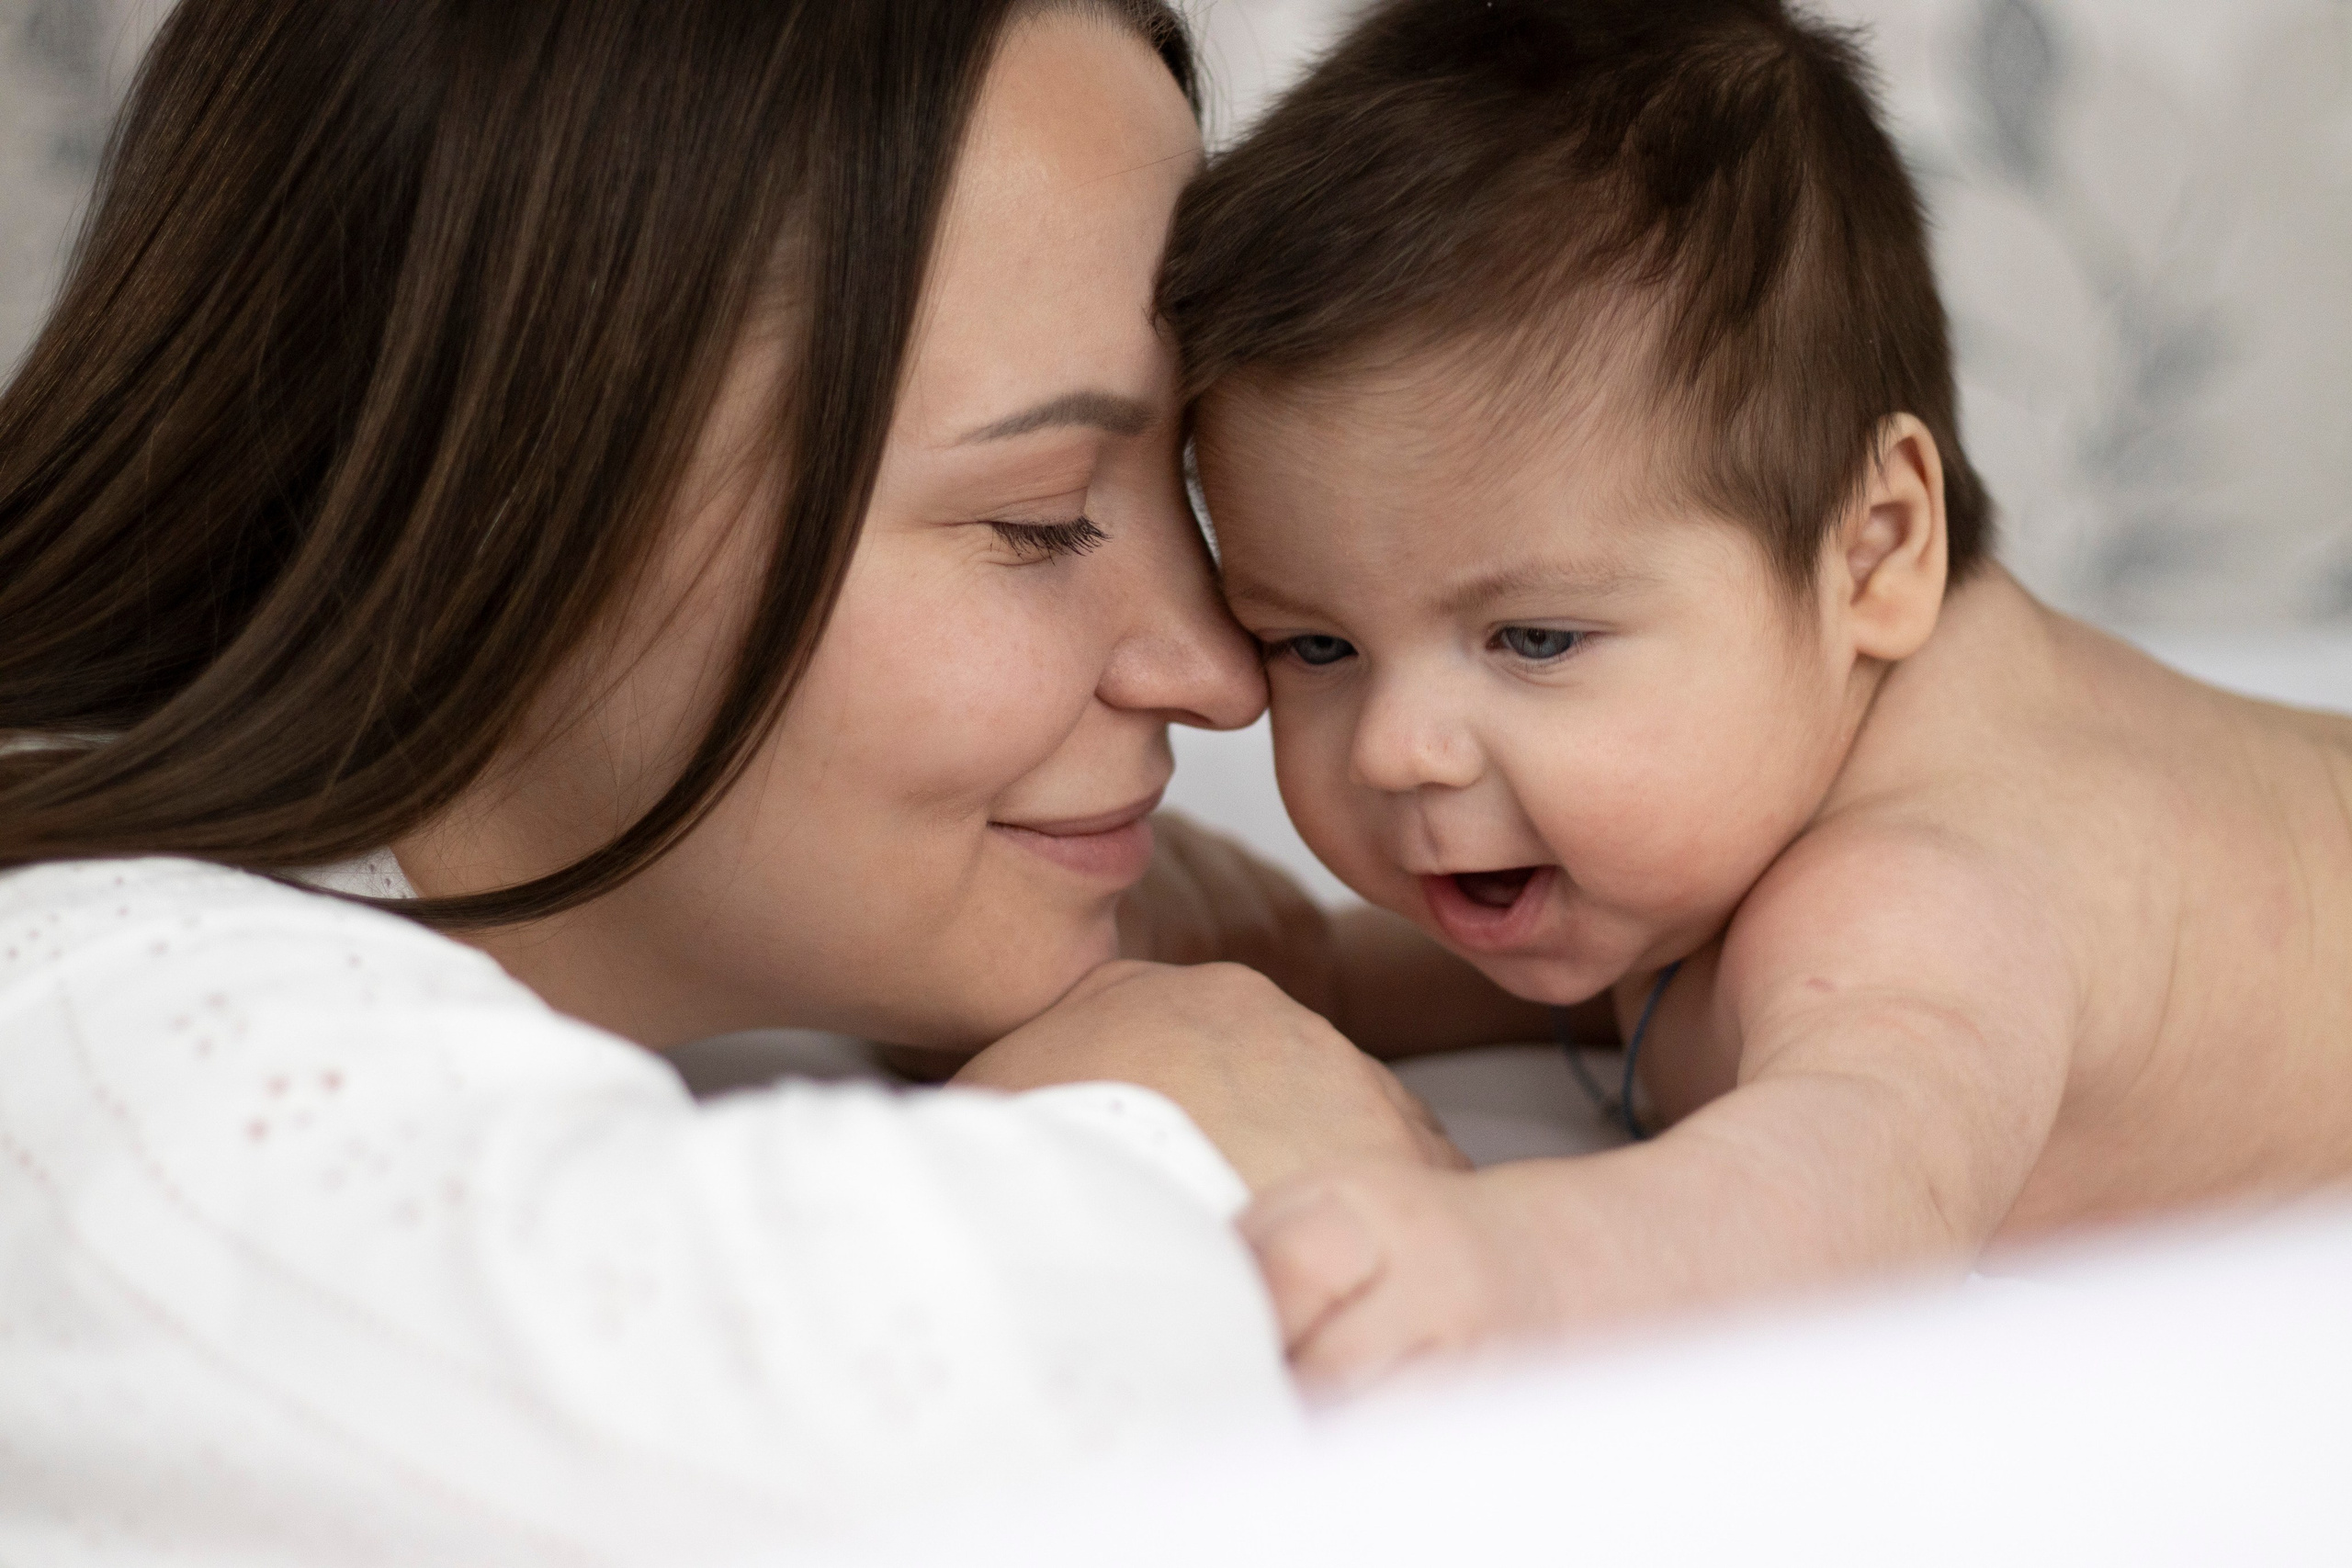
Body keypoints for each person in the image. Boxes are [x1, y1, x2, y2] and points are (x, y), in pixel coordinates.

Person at [0, 0, 1519, 1556]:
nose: (1214, 669)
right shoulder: (77, 1023)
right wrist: (1159, 1123)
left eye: (1185, 488)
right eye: (1044, 515)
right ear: (509, 504)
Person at [1158, 0, 2352, 1390]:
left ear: (1879, 551)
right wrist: (1295, 963)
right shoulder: (1705, 804)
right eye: (1314, 648)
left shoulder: (1930, 899)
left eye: (1535, 638)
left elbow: (1852, 1196)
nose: (1397, 752)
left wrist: (1520, 1266)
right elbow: (1614, 985)